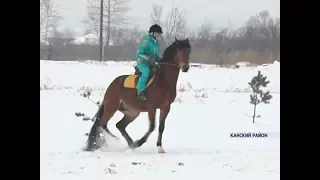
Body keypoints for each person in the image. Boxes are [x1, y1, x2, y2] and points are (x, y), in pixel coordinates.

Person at [135, 24, 163, 100]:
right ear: (153, 34)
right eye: (158, 34)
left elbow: (156, 56)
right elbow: (138, 54)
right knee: (146, 71)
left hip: (152, 63)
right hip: (142, 63)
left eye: (160, 34)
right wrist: (149, 58)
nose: (160, 36)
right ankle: (140, 91)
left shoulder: (157, 44)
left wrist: (161, 60)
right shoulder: (146, 42)